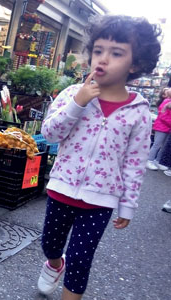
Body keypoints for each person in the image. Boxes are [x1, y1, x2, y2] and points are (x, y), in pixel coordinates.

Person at [37, 15, 161, 300]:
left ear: (136, 64)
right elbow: (50, 133)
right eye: (98, 50)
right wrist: (78, 103)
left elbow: (135, 162)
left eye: (116, 53)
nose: (103, 59)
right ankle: (55, 264)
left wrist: (127, 206)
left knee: (81, 258)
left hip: (101, 198)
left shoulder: (138, 111)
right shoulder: (73, 94)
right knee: (50, 245)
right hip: (62, 189)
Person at [146, 88, 171, 170]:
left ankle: (157, 161)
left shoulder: (167, 102)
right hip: (162, 127)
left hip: (166, 127)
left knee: (163, 146)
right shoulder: (166, 102)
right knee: (157, 144)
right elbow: (163, 116)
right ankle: (149, 160)